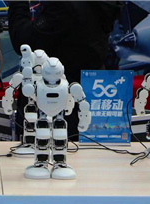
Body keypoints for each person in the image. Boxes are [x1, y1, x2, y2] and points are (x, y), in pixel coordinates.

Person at [8, 1, 122, 141]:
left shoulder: (65, 6)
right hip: (89, 90)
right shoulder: (101, 5)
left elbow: (24, 41)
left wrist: (18, 4)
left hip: (54, 97)